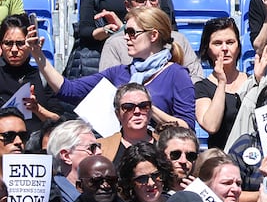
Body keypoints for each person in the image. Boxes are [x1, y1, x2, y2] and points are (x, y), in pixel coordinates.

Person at [42, 7, 196, 131]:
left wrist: (145, 107)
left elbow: (186, 128)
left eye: (131, 32)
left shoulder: (176, 74)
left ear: (153, 35)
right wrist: (38, 54)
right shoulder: (119, 73)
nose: (126, 37)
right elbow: (69, 89)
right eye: (125, 32)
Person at [96, 0, 202, 80]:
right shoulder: (116, 44)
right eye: (141, 1)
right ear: (128, 6)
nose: (149, 5)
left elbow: (197, 79)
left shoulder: (178, 40)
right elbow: (107, 87)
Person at [193, 17, 249, 150]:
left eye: (230, 42)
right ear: (207, 49)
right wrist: (221, 83)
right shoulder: (202, 88)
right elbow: (211, 126)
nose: (225, 48)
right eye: (217, 43)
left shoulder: (252, 82)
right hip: (221, 162)